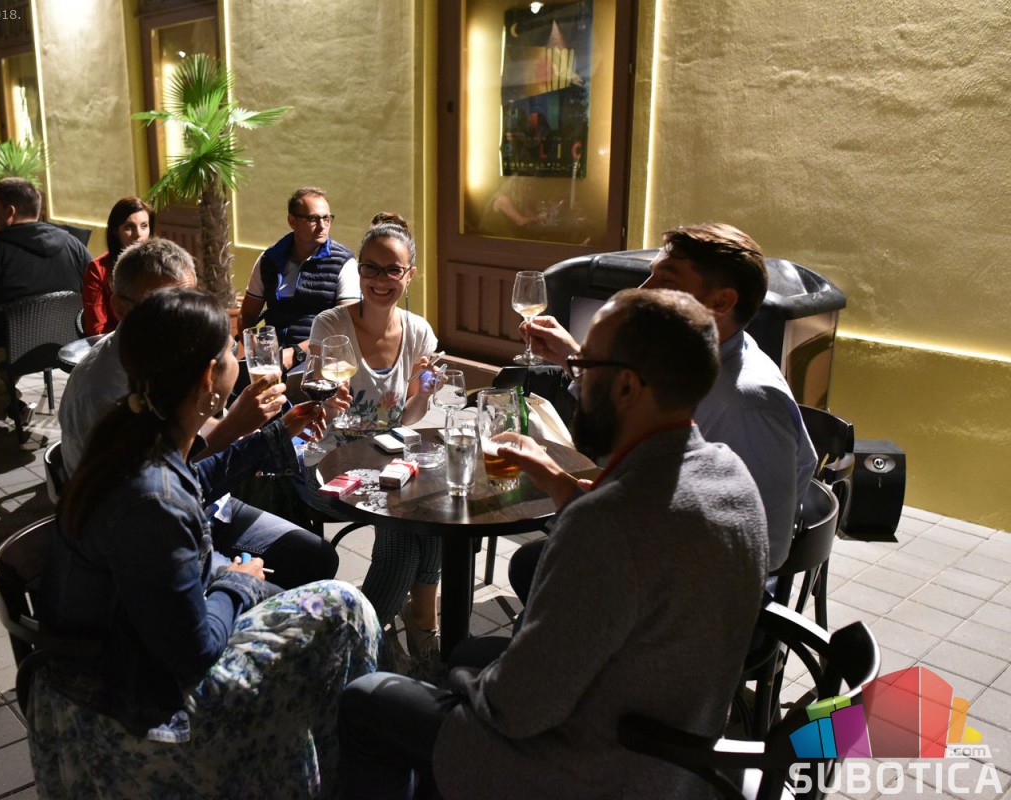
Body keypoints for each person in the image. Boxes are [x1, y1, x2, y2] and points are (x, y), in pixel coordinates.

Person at [337, 289, 769, 800]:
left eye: (582, 366)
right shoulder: (732, 476)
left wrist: (463, 683)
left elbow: (516, 709)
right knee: (468, 649)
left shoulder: (605, 526)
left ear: (626, 387)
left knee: (368, 699)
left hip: (588, 773)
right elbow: (649, 528)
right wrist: (555, 478)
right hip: (678, 753)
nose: (575, 381)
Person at [32, 288, 379, 798]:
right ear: (207, 380)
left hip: (123, 662)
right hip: (131, 711)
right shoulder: (152, 502)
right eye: (231, 350)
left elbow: (193, 479)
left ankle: (335, 759)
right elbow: (193, 652)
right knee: (346, 611)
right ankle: (352, 773)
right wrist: (238, 584)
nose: (239, 358)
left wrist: (275, 435)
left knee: (327, 604)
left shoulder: (132, 431)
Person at [513, 222, 816, 595]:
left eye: (666, 281)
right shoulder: (696, 358)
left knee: (543, 568)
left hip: (697, 597)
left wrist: (576, 498)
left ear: (721, 302)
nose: (643, 291)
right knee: (532, 564)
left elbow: (766, 548)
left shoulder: (747, 403)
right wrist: (573, 358)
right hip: (659, 553)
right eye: (650, 276)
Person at [59, 237, 340, 589]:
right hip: (152, 548)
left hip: (204, 507)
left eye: (189, 299)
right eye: (165, 305)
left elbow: (188, 469)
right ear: (120, 307)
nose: (187, 319)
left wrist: (278, 431)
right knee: (323, 601)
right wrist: (240, 586)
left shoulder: (165, 365)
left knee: (316, 557)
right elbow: (164, 495)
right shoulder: (107, 391)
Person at [309, 214, 442, 662]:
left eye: (392, 270)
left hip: (388, 459)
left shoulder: (419, 332)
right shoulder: (331, 326)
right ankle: (359, 647)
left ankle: (419, 622)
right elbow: (316, 408)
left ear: (410, 274)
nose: (380, 280)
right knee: (405, 532)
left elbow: (408, 418)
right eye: (370, 267)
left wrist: (424, 393)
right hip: (332, 461)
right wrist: (327, 403)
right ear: (358, 269)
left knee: (434, 511)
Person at [0, 178, 88, 428]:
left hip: (12, 347)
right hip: (64, 343)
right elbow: (93, 286)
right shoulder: (72, 243)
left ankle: (9, 405)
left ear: (10, 211)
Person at [240, 187, 359, 367]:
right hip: (272, 360)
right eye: (313, 219)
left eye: (326, 218)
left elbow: (347, 324)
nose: (322, 225)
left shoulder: (344, 263)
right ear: (292, 221)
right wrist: (255, 350)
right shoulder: (269, 259)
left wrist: (296, 353)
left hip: (321, 362)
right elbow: (247, 314)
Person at [82, 196, 154, 334]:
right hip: (115, 343)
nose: (138, 234)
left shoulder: (159, 264)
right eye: (129, 227)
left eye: (144, 226)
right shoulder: (98, 269)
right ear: (115, 231)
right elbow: (97, 330)